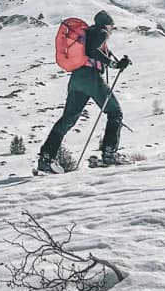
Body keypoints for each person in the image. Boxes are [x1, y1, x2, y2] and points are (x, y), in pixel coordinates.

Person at [37, 10, 131, 173]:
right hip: (90, 78)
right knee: (115, 112)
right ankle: (109, 154)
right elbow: (92, 51)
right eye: (112, 27)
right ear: (108, 25)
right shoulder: (100, 32)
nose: (111, 31)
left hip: (76, 79)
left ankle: (46, 158)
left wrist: (116, 64)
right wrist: (112, 63)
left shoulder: (87, 33)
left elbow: (96, 54)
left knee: (67, 120)